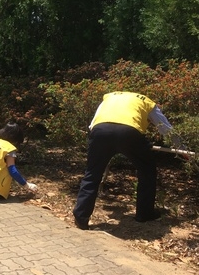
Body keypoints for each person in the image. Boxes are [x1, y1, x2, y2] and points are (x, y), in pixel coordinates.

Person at [73, 91, 182, 230]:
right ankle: (144, 214)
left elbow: (93, 123)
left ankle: (81, 217)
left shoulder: (109, 97)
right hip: (129, 133)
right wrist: (182, 149)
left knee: (92, 173)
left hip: (100, 131)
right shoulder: (148, 102)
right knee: (146, 169)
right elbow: (166, 129)